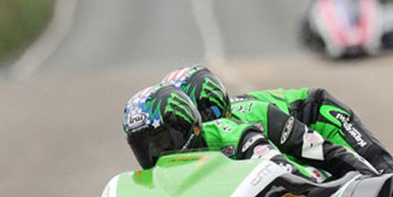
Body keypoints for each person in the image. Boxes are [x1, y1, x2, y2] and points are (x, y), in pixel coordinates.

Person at [162, 64, 393, 176]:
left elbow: (310, 152)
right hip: (287, 138)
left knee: (378, 167)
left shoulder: (251, 114)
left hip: (316, 115)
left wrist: (369, 177)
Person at [123, 82, 322, 179]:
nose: (154, 154)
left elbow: (287, 173)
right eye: (142, 147)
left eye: (160, 141)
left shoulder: (235, 133)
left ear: (184, 126)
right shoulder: (158, 177)